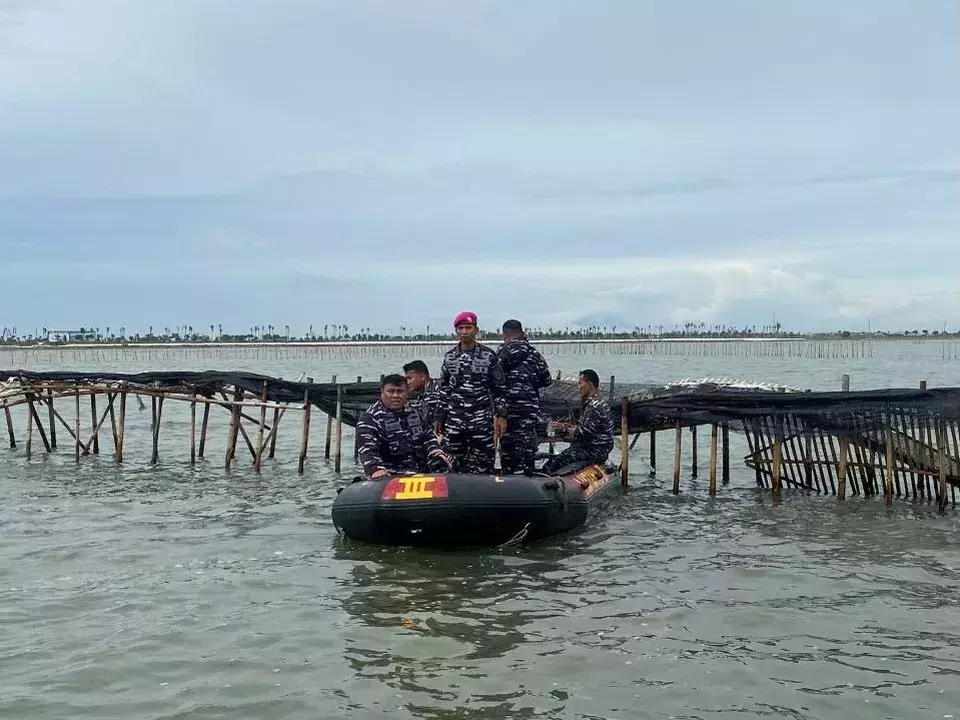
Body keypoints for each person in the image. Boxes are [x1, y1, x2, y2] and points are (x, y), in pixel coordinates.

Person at [435, 311, 508, 474]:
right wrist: (439, 415)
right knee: (451, 460)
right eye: (460, 328)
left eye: (468, 327)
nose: (464, 332)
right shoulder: (450, 357)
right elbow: (444, 388)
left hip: (480, 418)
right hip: (455, 418)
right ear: (456, 331)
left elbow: (500, 388)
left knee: (483, 461)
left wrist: (501, 415)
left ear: (476, 330)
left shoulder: (488, 356)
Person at [356, 374, 453, 479]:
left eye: (400, 391)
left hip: (421, 473)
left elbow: (428, 436)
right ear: (382, 392)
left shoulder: (414, 412)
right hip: (391, 476)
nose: (395, 396)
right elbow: (367, 448)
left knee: (448, 460)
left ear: (407, 392)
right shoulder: (370, 418)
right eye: (391, 391)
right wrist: (375, 468)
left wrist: (436, 451)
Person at [496, 319, 552, 475]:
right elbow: (547, 380)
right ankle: (528, 480)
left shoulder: (502, 352)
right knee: (527, 449)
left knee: (509, 451)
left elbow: (493, 378)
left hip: (508, 410)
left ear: (505, 334)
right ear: (522, 333)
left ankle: (510, 482)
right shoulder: (534, 354)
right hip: (529, 410)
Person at [541, 369, 614, 475]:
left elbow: (584, 433)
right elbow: (588, 428)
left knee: (550, 465)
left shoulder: (594, 406)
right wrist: (568, 425)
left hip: (593, 451)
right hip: (600, 450)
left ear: (589, 384)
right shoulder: (601, 403)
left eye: (580, 383)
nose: (578, 387)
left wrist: (563, 429)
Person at [403, 360, 442, 424]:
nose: (407, 382)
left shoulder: (438, 390)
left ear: (422, 377)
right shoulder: (420, 393)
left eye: (409, 378)